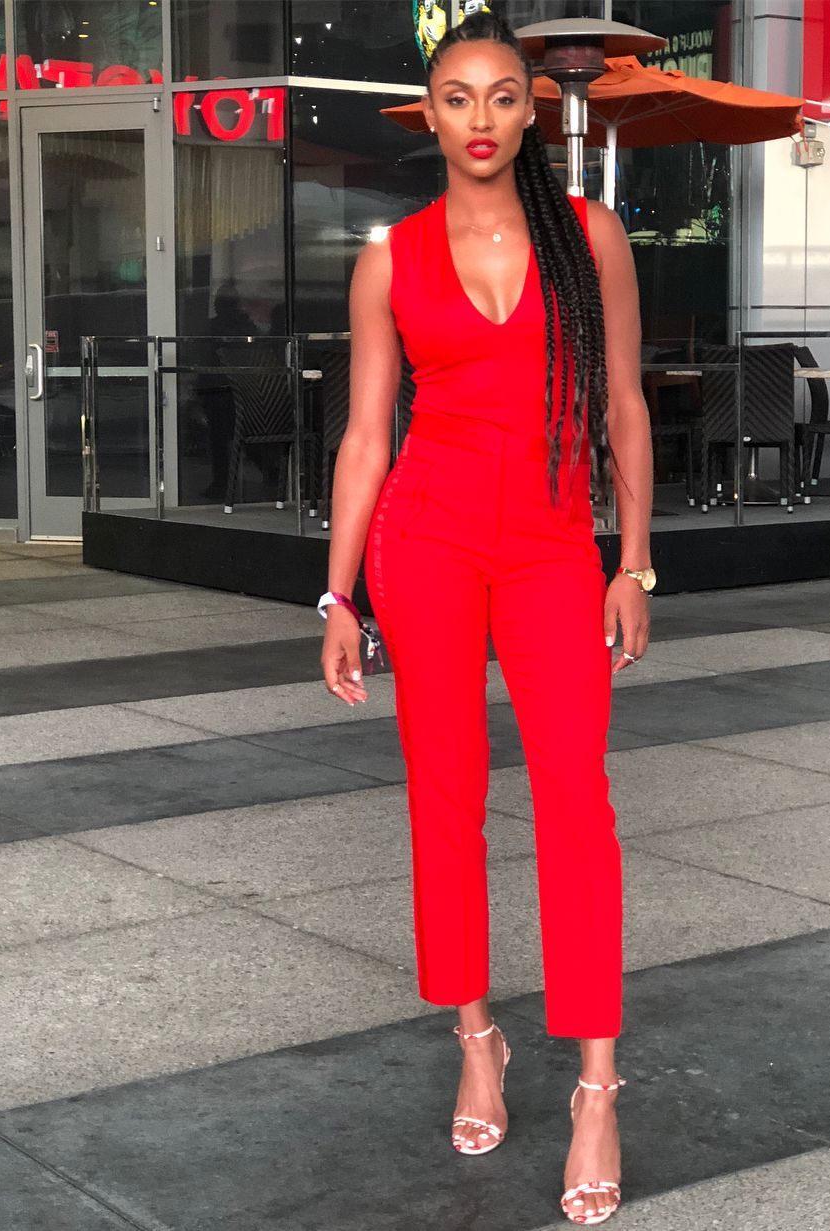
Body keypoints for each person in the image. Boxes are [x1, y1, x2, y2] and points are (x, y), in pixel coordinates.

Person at [319, 11, 653, 1226]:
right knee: (443, 794)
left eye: (503, 96)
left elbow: (623, 405)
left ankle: (597, 1084)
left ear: (530, 111)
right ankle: (476, 1034)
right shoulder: (389, 259)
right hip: (426, 544)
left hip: (555, 548)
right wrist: (338, 591)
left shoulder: (590, 236)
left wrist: (635, 562)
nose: (479, 119)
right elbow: (367, 437)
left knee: (578, 803)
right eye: (456, 97)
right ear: (431, 112)